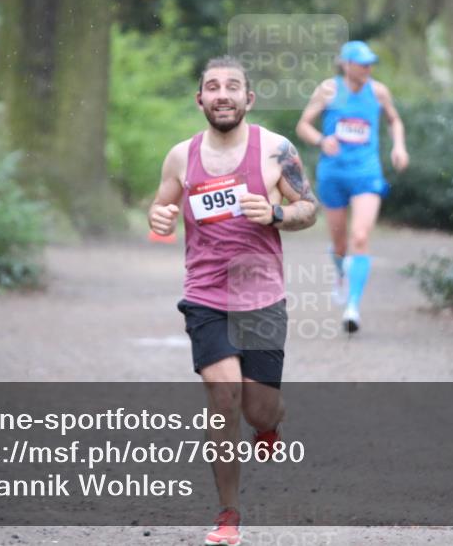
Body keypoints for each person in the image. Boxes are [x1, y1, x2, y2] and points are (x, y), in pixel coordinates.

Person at [149, 56, 318, 546]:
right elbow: (162, 204)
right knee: (223, 399)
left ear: (249, 99)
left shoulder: (276, 151)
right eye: (212, 86)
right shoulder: (182, 156)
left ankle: (269, 427)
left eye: (233, 86)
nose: (223, 94)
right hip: (205, 297)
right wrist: (159, 220)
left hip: (262, 298)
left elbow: (309, 209)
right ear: (200, 98)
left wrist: (276, 212)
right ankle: (228, 516)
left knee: (259, 410)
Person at [295, 40, 409, 333]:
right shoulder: (329, 90)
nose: (368, 68)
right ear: (346, 64)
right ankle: (340, 274)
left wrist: (399, 147)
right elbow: (303, 125)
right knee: (340, 243)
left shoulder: (378, 91)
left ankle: (352, 307)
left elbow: (394, 121)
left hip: (366, 173)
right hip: (333, 173)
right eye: (362, 63)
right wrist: (322, 140)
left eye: (370, 62)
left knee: (360, 236)